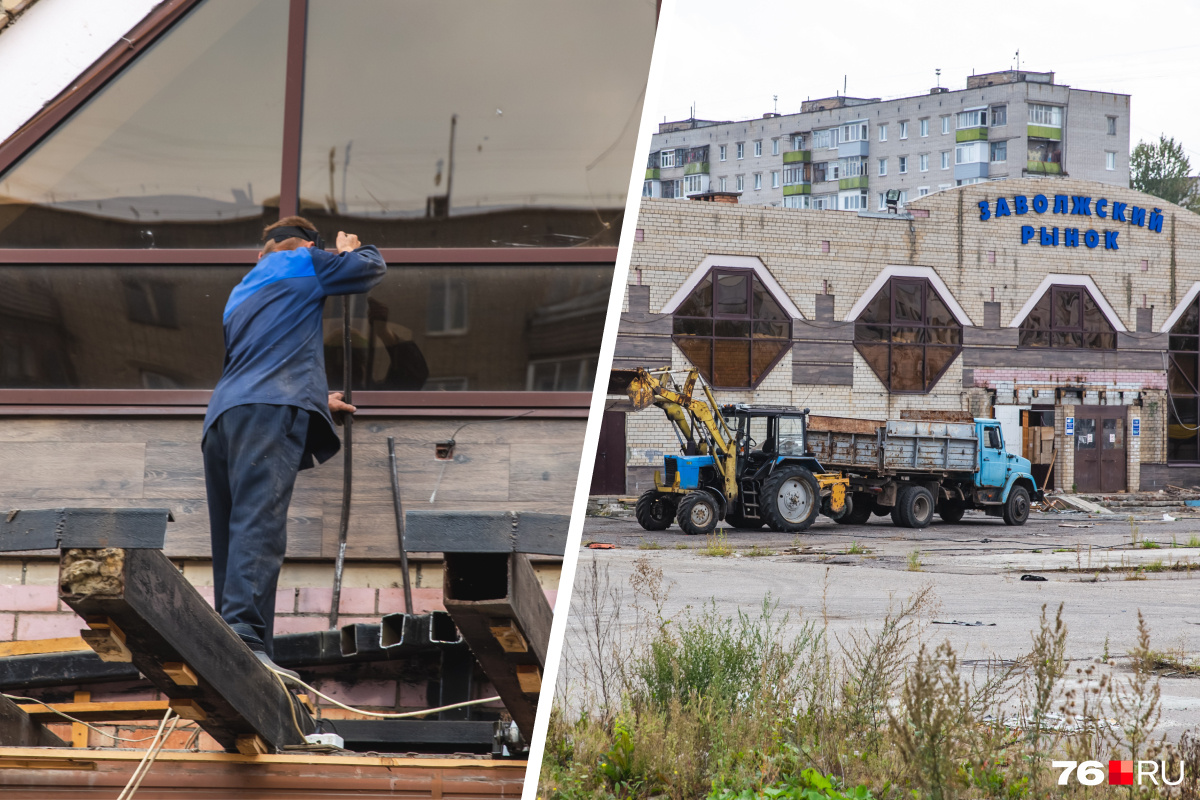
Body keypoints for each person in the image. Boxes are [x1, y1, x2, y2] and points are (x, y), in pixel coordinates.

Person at [202, 216, 386, 677]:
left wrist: (314, 398)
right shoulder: (305, 260)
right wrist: (346, 251)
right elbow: (370, 268)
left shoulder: (241, 290)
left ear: (259, 252)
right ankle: (244, 636)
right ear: (305, 244)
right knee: (260, 525)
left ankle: (242, 646)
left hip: (223, 418)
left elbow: (262, 356)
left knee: (232, 534)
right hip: (267, 413)